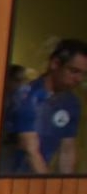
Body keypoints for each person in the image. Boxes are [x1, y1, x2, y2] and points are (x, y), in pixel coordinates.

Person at [5, 39, 85, 175]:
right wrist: (49, 185)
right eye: (74, 71)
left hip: (40, 175)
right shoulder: (27, 96)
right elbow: (30, 151)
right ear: (55, 64)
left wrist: (66, 184)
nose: (79, 79)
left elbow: (67, 149)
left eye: (83, 74)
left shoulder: (71, 103)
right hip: (11, 174)